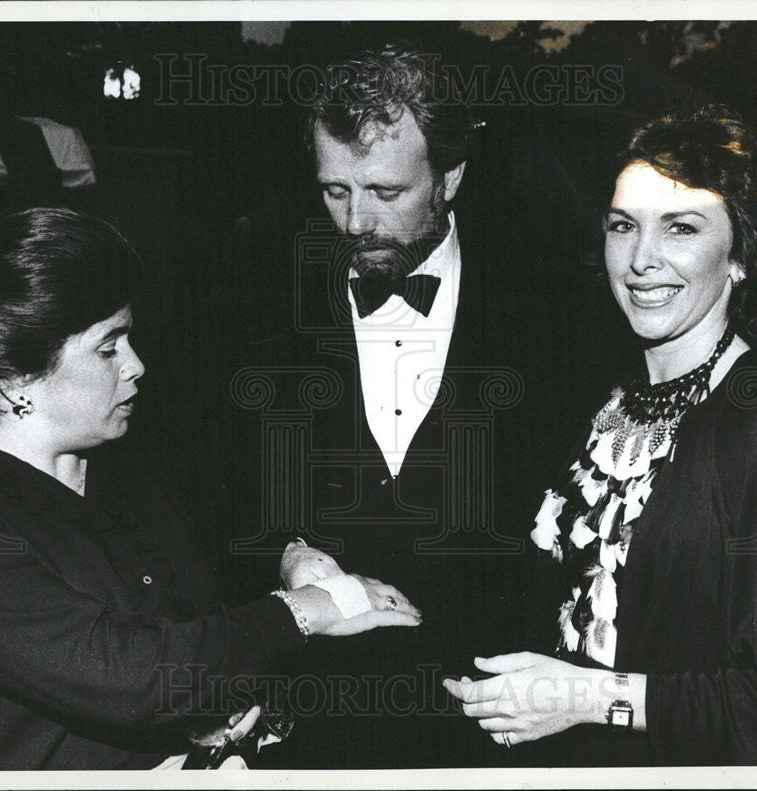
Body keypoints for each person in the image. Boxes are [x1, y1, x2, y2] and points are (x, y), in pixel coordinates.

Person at [0, 207, 421, 771]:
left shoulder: (122, 466)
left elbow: (192, 622)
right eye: (108, 347)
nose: (137, 365)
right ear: (14, 375)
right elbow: (128, 676)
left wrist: (288, 569)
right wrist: (307, 610)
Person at [444, 105, 757, 765]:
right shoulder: (599, 398)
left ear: (741, 257)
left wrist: (583, 698)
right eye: (622, 226)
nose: (640, 260)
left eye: (681, 228)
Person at [239, 42, 568, 769]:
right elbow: (205, 489)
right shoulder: (258, 299)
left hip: (492, 733)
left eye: (385, 192)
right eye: (335, 190)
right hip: (311, 726)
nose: (356, 221)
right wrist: (284, 551)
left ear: (449, 176)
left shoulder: (552, 309)